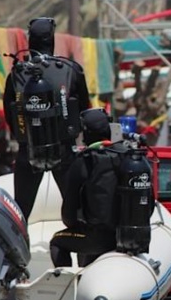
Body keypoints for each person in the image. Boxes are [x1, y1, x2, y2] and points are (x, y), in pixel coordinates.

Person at [2, 17, 91, 220]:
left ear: (30, 40)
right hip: (65, 151)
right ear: (52, 40)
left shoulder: (17, 74)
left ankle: (15, 241)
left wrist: (25, 138)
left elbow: (10, 114)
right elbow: (84, 109)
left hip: (28, 151)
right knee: (78, 209)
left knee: (20, 211)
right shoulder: (71, 69)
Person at [49, 108, 123, 267]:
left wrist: (77, 224)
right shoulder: (126, 156)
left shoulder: (84, 161)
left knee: (57, 241)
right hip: (126, 235)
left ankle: (69, 282)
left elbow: (68, 213)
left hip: (99, 238)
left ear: (86, 134)